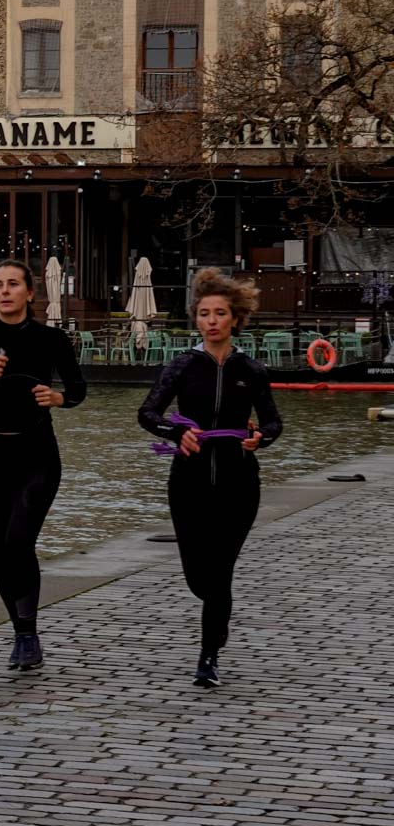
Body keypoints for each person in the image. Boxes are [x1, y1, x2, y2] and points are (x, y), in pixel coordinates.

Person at [137, 268, 281, 688]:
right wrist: (175, 432)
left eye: (220, 313)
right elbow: (147, 413)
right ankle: (215, 627)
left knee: (220, 573)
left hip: (240, 484)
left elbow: (273, 422)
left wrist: (261, 438)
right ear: (196, 319)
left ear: (235, 318)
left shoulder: (251, 370)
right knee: (198, 576)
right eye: (204, 314)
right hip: (189, 482)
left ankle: (208, 656)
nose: (212, 320)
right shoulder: (183, 366)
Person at [0, 260, 87, 671]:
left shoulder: (51, 339)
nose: (5, 291)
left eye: (12, 284)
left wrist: (58, 398)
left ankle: (27, 634)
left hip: (37, 456)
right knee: (1, 553)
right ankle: (22, 633)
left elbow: (78, 389)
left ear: (30, 292)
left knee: (18, 542)